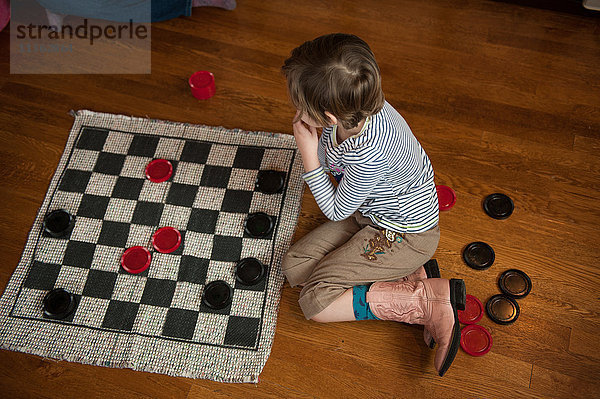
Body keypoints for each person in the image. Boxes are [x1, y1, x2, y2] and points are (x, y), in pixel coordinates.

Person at [280, 33, 465, 377]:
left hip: (404, 233)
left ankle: (425, 301)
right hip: (370, 211)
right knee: (294, 265)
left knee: (315, 303)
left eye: (301, 105)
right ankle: (412, 275)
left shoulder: (368, 152)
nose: (295, 111)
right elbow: (345, 193)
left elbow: (336, 210)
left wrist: (308, 152)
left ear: (329, 117)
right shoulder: (359, 104)